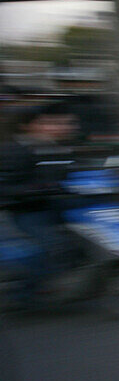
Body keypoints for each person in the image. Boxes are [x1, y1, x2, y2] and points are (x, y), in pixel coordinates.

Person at [0, 102, 79, 307]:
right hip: (28, 211)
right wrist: (36, 189)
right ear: (27, 125)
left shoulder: (53, 147)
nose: (51, 125)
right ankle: (24, 293)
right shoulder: (12, 151)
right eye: (43, 122)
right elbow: (6, 187)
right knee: (52, 245)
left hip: (55, 206)